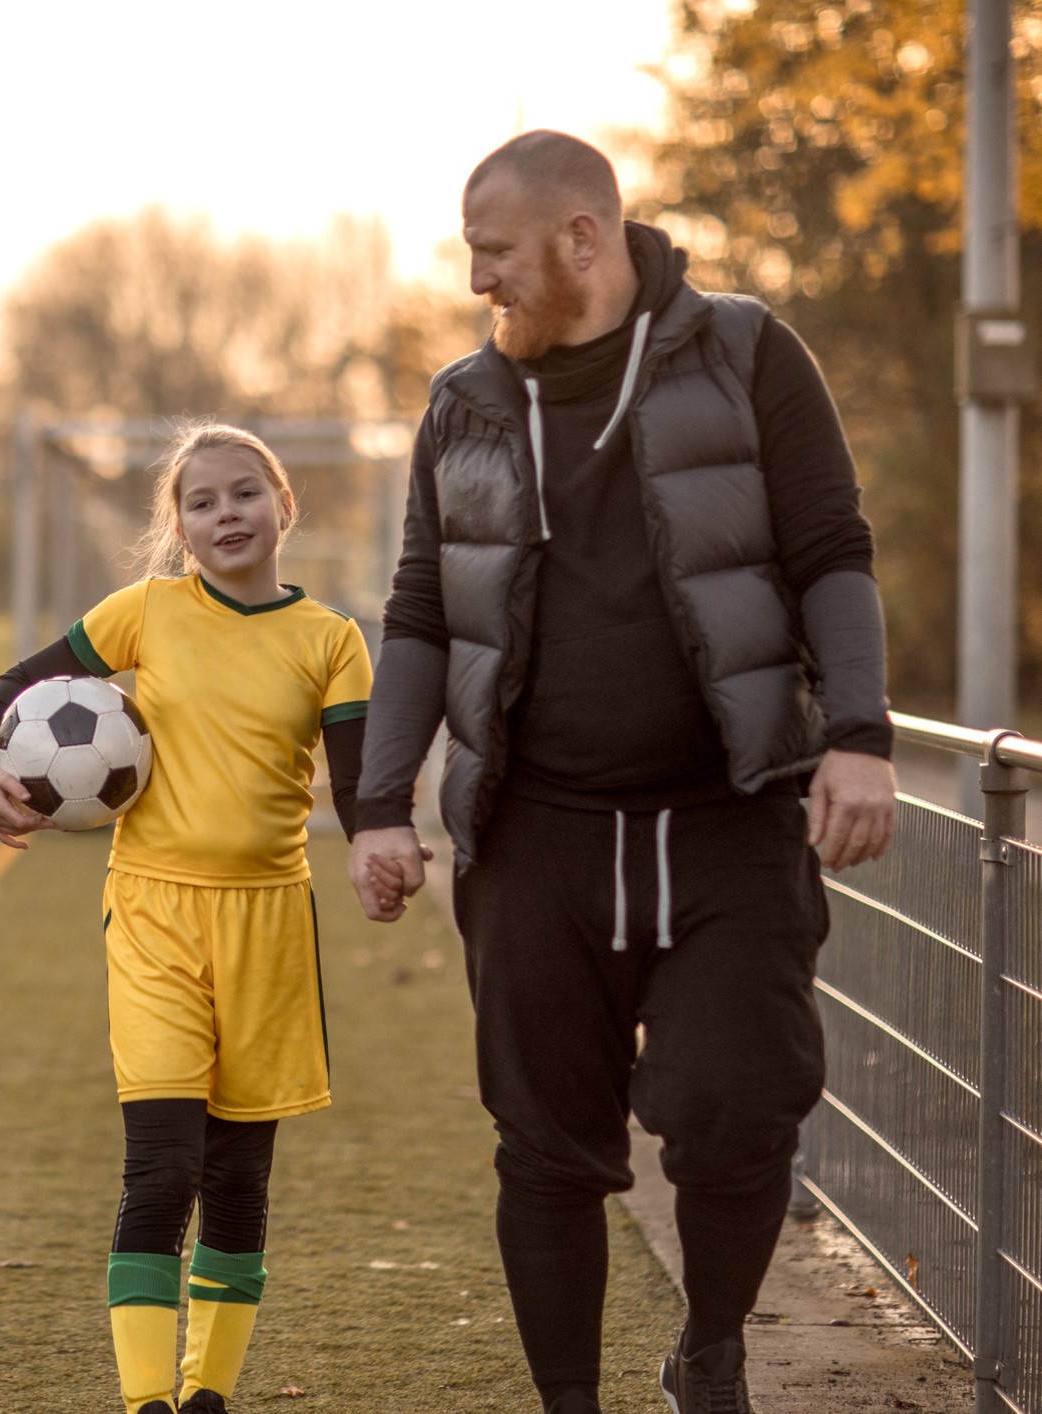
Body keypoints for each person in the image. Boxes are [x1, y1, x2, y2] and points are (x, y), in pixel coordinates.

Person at [346, 130, 897, 1414]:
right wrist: (380, 806)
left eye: (495, 251)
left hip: (730, 818)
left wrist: (859, 735)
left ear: (580, 238)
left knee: (737, 1109)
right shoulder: (463, 404)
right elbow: (422, 612)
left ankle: (709, 1347)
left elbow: (831, 546)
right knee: (545, 1149)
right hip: (537, 834)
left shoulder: (747, 352)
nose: (479, 279)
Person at [0, 424, 373, 1414]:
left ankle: (206, 1396)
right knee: (163, 1166)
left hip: (269, 927)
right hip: (153, 914)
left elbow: (360, 793)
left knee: (238, 1178)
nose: (225, 513)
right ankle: (147, 1397)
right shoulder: (145, 613)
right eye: (201, 502)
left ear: (285, 505)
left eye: (244, 493)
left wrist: (379, 847)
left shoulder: (331, 639)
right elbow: (15, 686)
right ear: (179, 528)